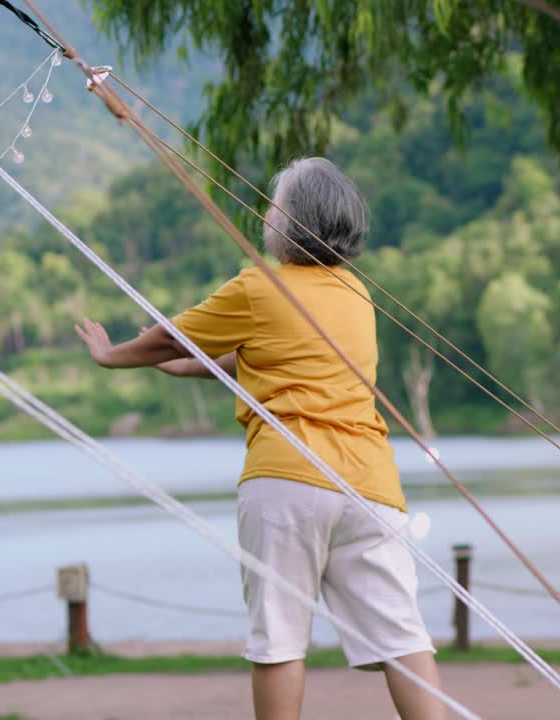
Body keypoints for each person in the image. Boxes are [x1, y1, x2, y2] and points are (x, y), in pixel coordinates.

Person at [75, 157, 444, 720]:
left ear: (293, 221)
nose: (266, 215)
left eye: (274, 205)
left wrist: (111, 356)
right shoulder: (356, 293)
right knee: (403, 639)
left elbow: (169, 339)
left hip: (288, 482)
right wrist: (180, 364)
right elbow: (259, 357)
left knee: (278, 641)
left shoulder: (259, 286)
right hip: (370, 489)